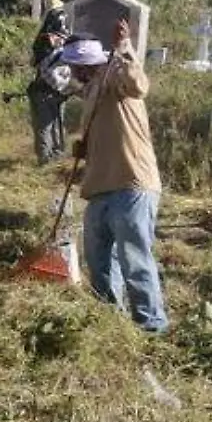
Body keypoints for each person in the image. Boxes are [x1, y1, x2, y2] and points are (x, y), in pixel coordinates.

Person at [71, 18, 169, 334]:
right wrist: (84, 147)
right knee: (98, 260)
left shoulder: (114, 75)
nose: (74, 73)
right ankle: (109, 320)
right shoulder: (92, 91)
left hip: (131, 184)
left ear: (88, 64)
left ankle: (150, 326)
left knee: (135, 260)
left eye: (77, 66)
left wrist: (125, 48)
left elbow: (138, 85)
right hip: (100, 186)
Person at [26, 0, 74, 162]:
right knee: (51, 123)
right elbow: (46, 67)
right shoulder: (58, 43)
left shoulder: (51, 41)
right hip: (54, 87)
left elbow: (42, 65)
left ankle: (50, 156)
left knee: (50, 123)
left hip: (50, 86)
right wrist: (62, 86)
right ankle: (51, 156)